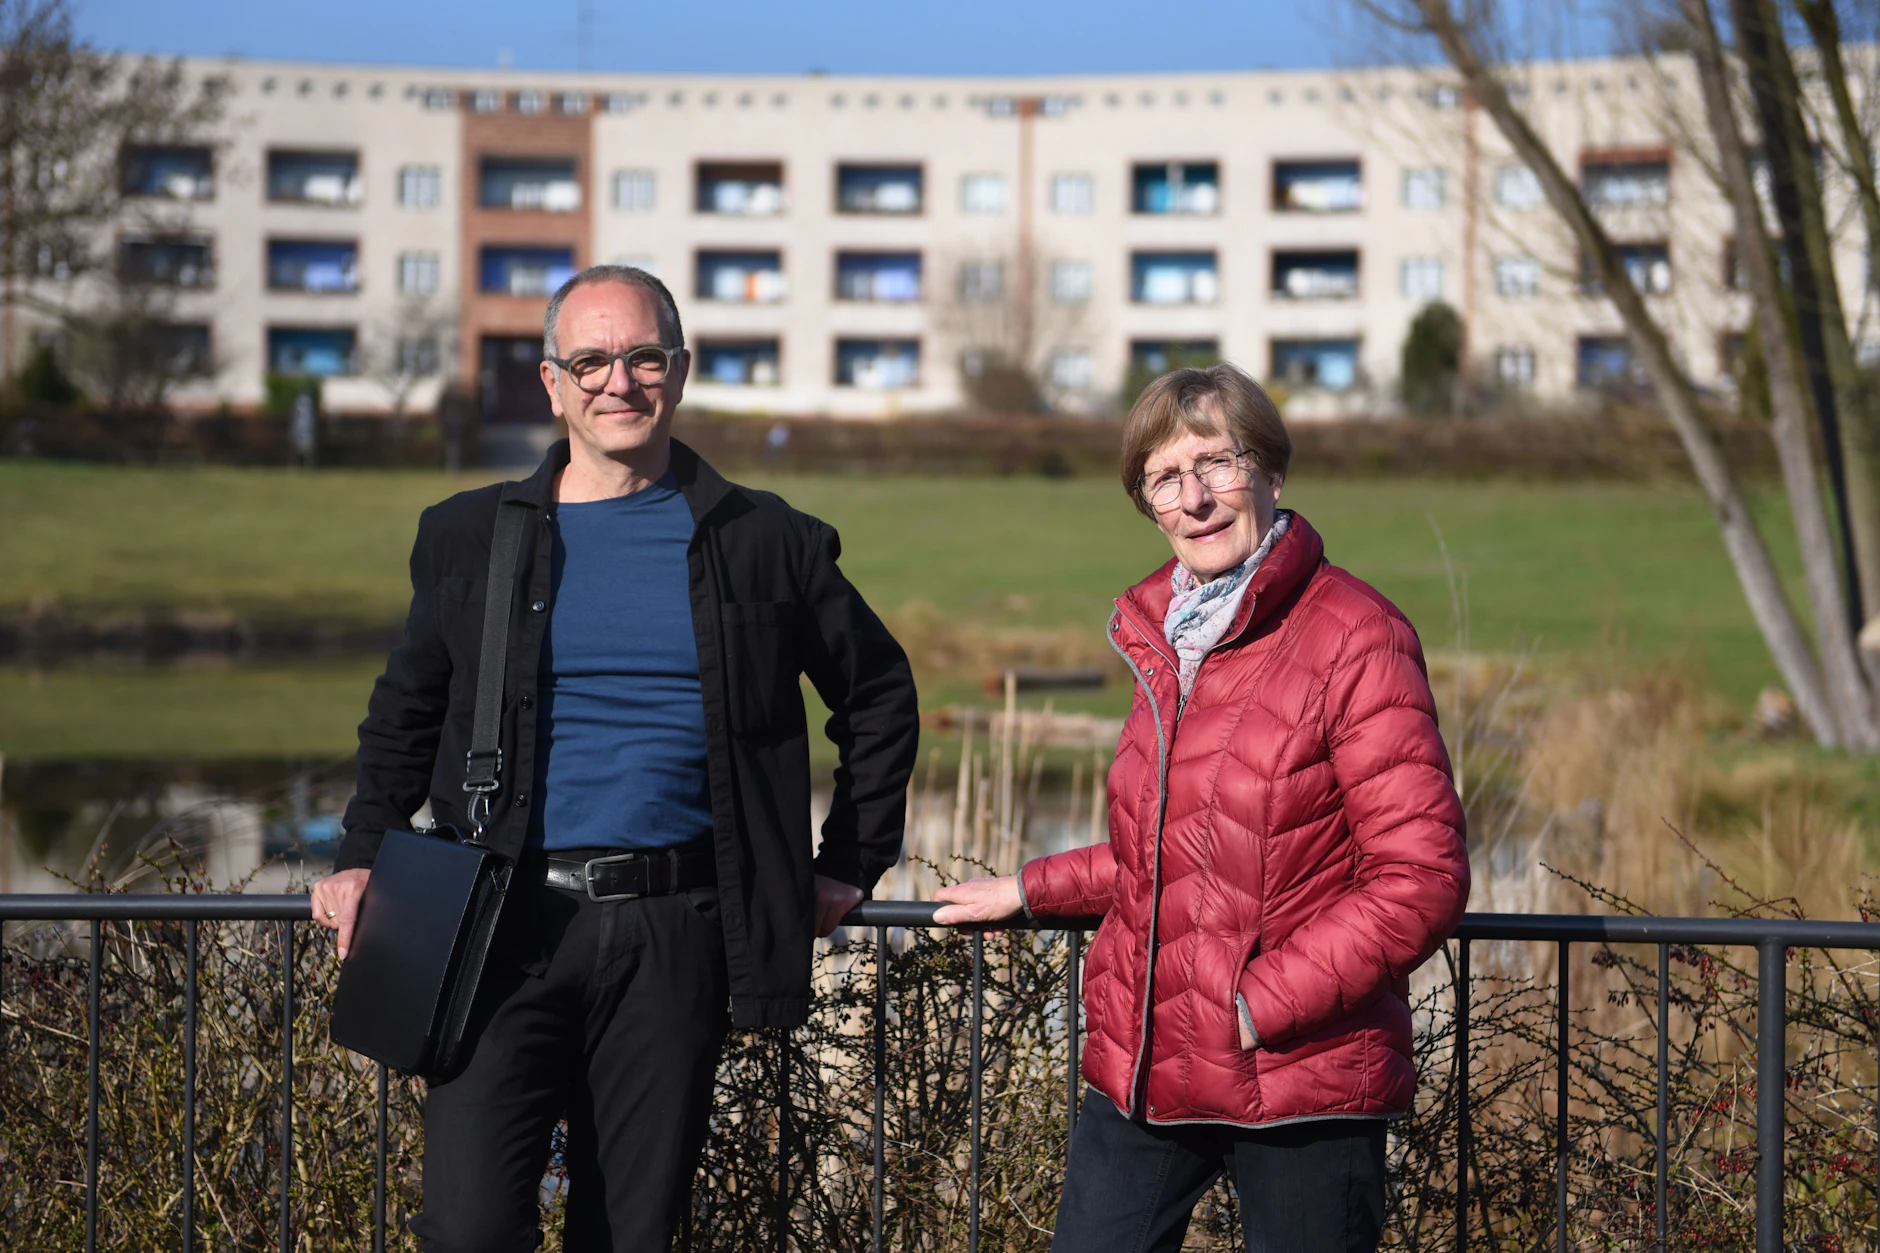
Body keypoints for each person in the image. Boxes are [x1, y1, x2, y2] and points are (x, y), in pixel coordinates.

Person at [312, 265, 920, 1251]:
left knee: (630, 1233)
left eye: (641, 356)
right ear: (552, 382)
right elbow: (406, 709)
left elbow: (879, 693)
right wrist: (359, 851)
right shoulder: (469, 534)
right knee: (465, 1228)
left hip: (675, 933)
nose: (617, 381)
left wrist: (847, 858)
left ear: (677, 371)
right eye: (589, 359)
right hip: (496, 924)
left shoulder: (767, 539)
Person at [935, 363, 1468, 1252]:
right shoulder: (1162, 633)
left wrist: (1256, 1005)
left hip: (1300, 1078)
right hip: (1146, 1068)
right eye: (1164, 479)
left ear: (1270, 470)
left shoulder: (1356, 635)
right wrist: (1031, 887)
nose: (1195, 498)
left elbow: (1421, 877)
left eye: (1217, 463)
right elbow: (1177, 845)